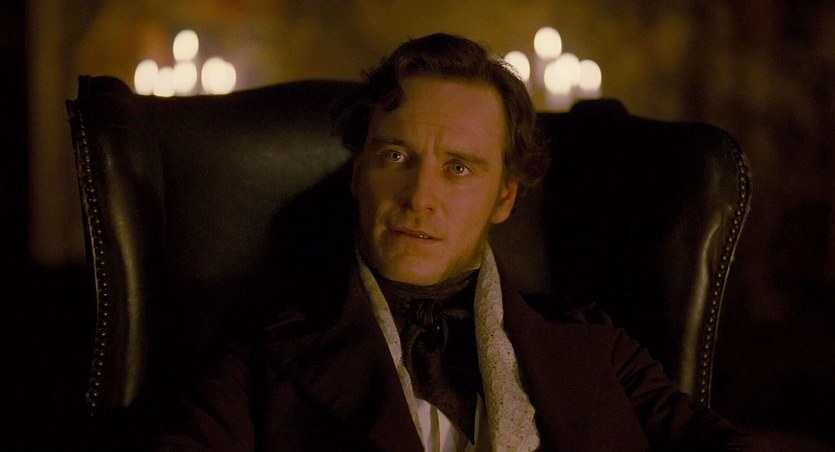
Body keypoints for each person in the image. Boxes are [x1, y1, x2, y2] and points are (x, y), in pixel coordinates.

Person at [153, 33, 769, 451]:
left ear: (504, 198)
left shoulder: (597, 349)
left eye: (458, 168)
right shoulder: (258, 362)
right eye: (396, 156)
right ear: (359, 174)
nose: (419, 196)